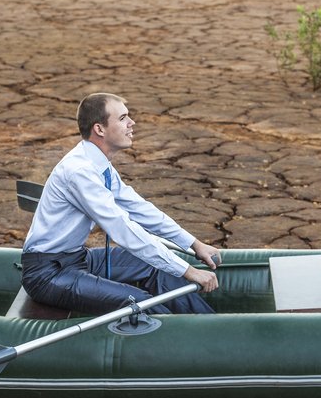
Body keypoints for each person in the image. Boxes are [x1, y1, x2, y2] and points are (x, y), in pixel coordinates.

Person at [20, 92, 221, 315]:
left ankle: (209, 326)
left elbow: (138, 208)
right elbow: (122, 229)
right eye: (123, 118)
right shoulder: (80, 171)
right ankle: (189, 340)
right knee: (140, 302)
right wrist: (188, 270)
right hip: (49, 273)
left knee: (157, 266)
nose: (132, 123)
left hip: (78, 258)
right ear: (99, 129)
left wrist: (193, 243)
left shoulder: (98, 164)